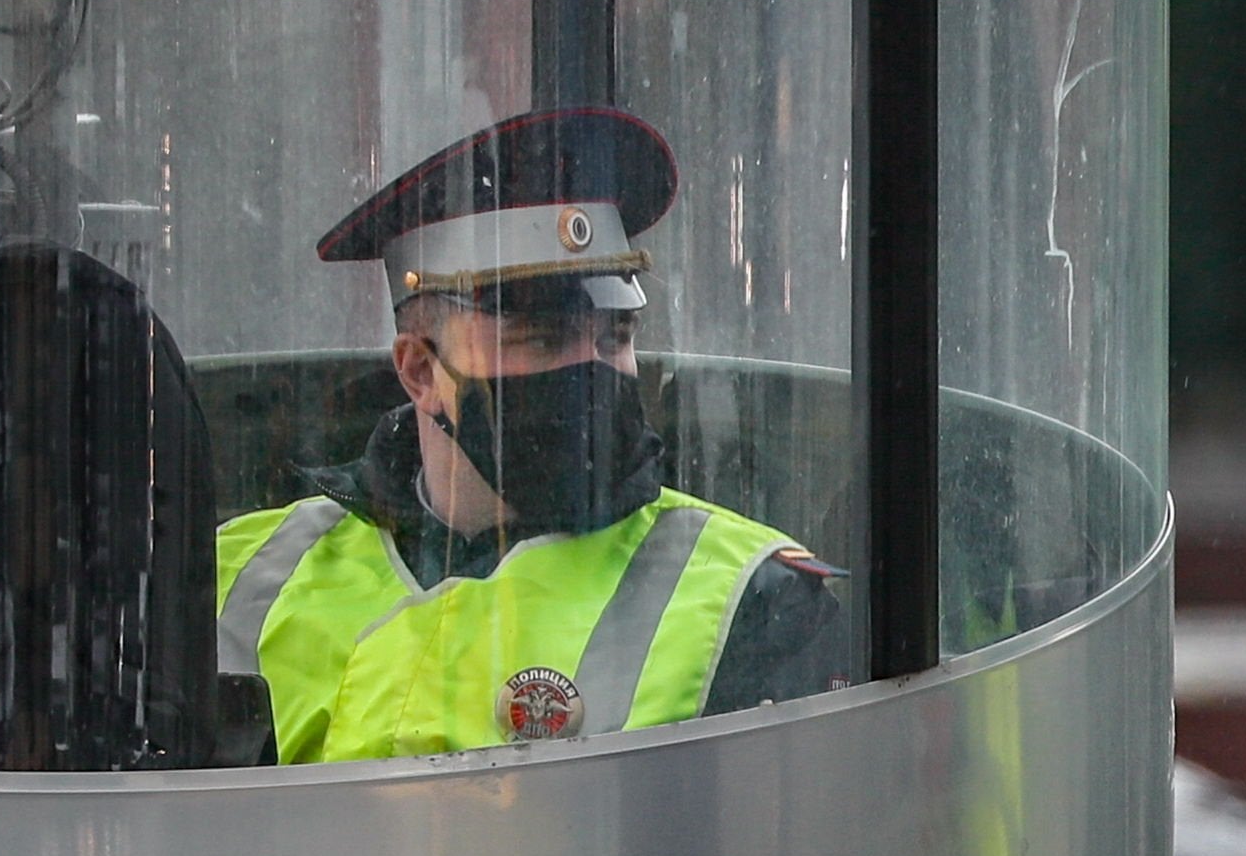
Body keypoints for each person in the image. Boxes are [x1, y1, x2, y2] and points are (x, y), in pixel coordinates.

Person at [214, 106, 850, 764]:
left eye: (615, 335)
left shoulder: (754, 601)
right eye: (543, 338)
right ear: (421, 370)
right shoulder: (240, 574)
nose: (593, 368)